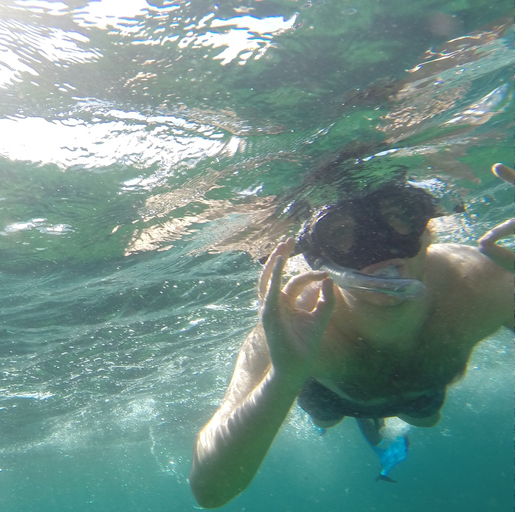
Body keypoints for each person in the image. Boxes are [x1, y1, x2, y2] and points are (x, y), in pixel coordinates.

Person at [189, 163, 514, 509]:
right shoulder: (292, 323)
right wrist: (282, 379)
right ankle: (335, 419)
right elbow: (210, 492)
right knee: (325, 418)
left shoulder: (486, 283)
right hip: (331, 394)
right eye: (340, 233)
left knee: (426, 418)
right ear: (320, 257)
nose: (377, 246)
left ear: (428, 228)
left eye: (399, 217)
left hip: (421, 389)